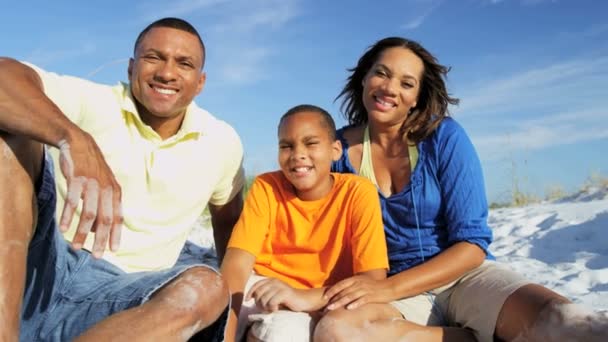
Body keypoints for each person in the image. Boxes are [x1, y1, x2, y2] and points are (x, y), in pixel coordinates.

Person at [315, 36, 608, 341]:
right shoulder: (333, 151)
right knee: (336, 331)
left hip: (463, 279)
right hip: (393, 298)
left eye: (406, 83)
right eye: (382, 73)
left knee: (573, 323)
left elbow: (471, 246)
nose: (390, 88)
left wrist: (386, 287)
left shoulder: (444, 137)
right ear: (364, 77)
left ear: (417, 97)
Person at [0, 17, 245, 341]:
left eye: (184, 63)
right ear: (131, 68)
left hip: (123, 299)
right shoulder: (93, 100)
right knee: (10, 140)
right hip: (39, 268)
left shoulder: (222, 142)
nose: (167, 72)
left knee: (208, 287)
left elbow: (230, 226)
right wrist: (72, 137)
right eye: (154, 57)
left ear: (200, 82)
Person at [220, 104, 389, 341]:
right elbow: (237, 265)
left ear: (335, 150)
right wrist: (226, 334)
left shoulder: (358, 192)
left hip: (324, 297)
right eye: (286, 146)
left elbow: (373, 280)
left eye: (310, 143)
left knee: (289, 333)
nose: (297, 154)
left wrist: (303, 297)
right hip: (265, 288)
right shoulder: (266, 187)